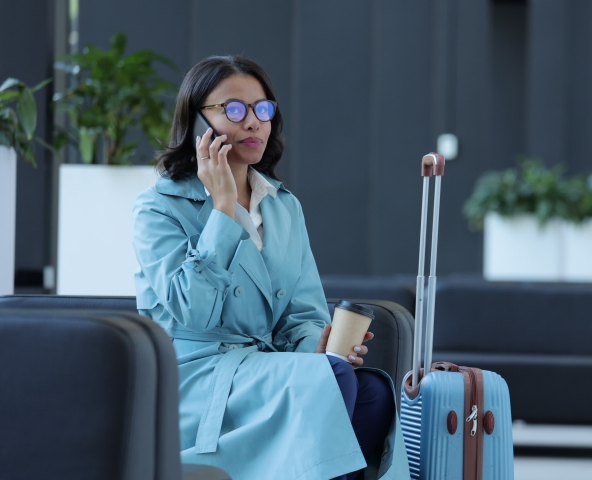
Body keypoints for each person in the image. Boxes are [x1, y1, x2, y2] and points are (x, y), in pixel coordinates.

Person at [132, 55, 410, 480]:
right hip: (195, 375)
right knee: (330, 382)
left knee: (373, 392)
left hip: (265, 367)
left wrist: (316, 345)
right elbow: (191, 309)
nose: (253, 123)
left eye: (262, 109)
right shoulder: (158, 207)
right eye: (234, 109)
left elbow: (302, 311)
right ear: (197, 122)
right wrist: (223, 210)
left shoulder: (283, 206)